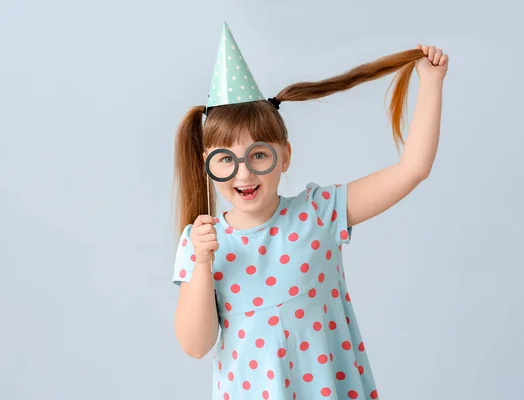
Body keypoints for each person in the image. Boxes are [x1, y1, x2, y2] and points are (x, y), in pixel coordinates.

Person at [171, 22, 448, 400]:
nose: (245, 172)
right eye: (226, 160)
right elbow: (195, 345)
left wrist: (431, 84)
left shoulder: (318, 213)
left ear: (284, 156)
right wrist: (202, 262)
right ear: (208, 163)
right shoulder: (200, 243)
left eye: (259, 155)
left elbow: (412, 170)